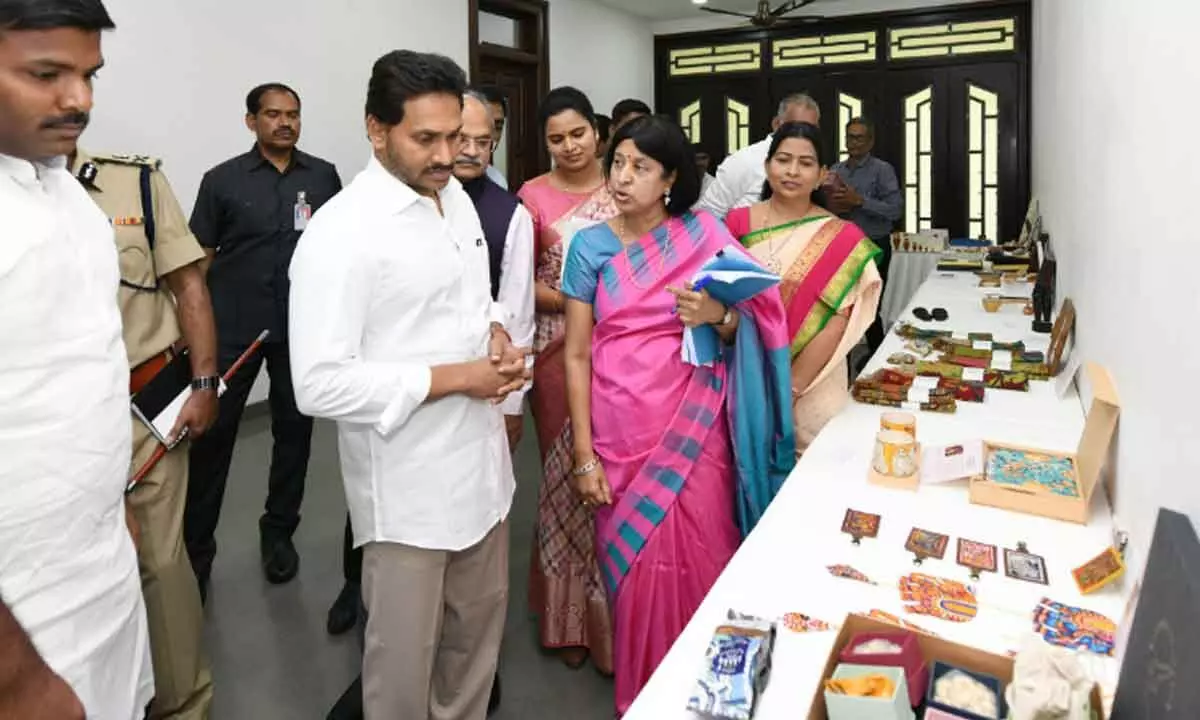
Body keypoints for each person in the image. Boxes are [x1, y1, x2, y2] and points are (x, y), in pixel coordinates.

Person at [289, 49, 528, 720]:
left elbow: (469, 299)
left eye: (457, 136)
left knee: (475, 643)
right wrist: (461, 378)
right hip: (408, 491)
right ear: (376, 129)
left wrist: (496, 335)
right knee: (402, 665)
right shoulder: (342, 234)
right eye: (426, 138)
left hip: (482, 475)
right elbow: (319, 385)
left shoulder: (452, 201)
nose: (447, 155)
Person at [562, 115, 795, 715]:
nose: (622, 177)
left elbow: (757, 314)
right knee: (632, 565)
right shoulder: (588, 247)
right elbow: (577, 352)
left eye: (641, 167)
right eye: (618, 162)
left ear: (669, 179)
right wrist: (583, 456)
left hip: (695, 424)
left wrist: (717, 313)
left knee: (703, 549)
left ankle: (714, 690)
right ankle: (646, 697)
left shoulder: (702, 231)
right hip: (618, 428)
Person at [0, 1, 154, 717]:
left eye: (90, 74)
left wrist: (112, 501)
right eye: (46, 74)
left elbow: (84, 380)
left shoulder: (69, 199)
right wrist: (18, 678)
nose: (80, 100)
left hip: (96, 568)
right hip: (22, 623)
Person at [72, 146, 217, 718]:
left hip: (139, 412)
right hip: (42, 428)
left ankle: (184, 704)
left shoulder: (132, 183)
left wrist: (204, 383)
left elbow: (190, 288)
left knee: (159, 562)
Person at [186, 82, 343, 596]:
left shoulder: (323, 177)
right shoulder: (222, 181)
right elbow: (199, 263)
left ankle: (278, 533)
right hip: (235, 331)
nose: (285, 123)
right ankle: (196, 554)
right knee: (214, 440)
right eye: (273, 114)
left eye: (293, 114)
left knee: (295, 434)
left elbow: (338, 253)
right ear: (251, 120)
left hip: (300, 330)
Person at [517, 86, 617, 674]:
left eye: (578, 133)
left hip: (626, 354)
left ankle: (620, 611)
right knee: (566, 483)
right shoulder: (530, 197)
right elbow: (514, 282)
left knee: (619, 481)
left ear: (597, 133)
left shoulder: (625, 187)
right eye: (556, 138)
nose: (569, 146)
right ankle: (568, 621)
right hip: (556, 353)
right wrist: (579, 301)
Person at [724, 122, 882, 455]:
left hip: (813, 385)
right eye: (783, 160)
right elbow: (723, 302)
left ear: (823, 173)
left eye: (806, 163)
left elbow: (837, 320)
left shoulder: (842, 237)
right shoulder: (735, 225)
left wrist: (790, 388)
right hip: (746, 377)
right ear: (768, 166)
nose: (792, 171)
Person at [826, 117, 901, 358]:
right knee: (842, 308)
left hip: (873, 246)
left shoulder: (882, 170)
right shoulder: (835, 171)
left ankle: (876, 361)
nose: (853, 142)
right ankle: (841, 365)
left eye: (859, 137)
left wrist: (860, 202)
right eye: (849, 137)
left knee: (870, 308)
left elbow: (895, 209)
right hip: (841, 248)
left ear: (870, 141)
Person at [698, 93, 820, 219]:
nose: (802, 134)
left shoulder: (815, 163)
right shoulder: (745, 160)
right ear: (776, 124)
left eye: (811, 129)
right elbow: (708, 216)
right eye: (795, 127)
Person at [477, 84, 508, 189]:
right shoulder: (438, 179)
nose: (491, 135)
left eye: (498, 127)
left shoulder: (497, 180)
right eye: (483, 124)